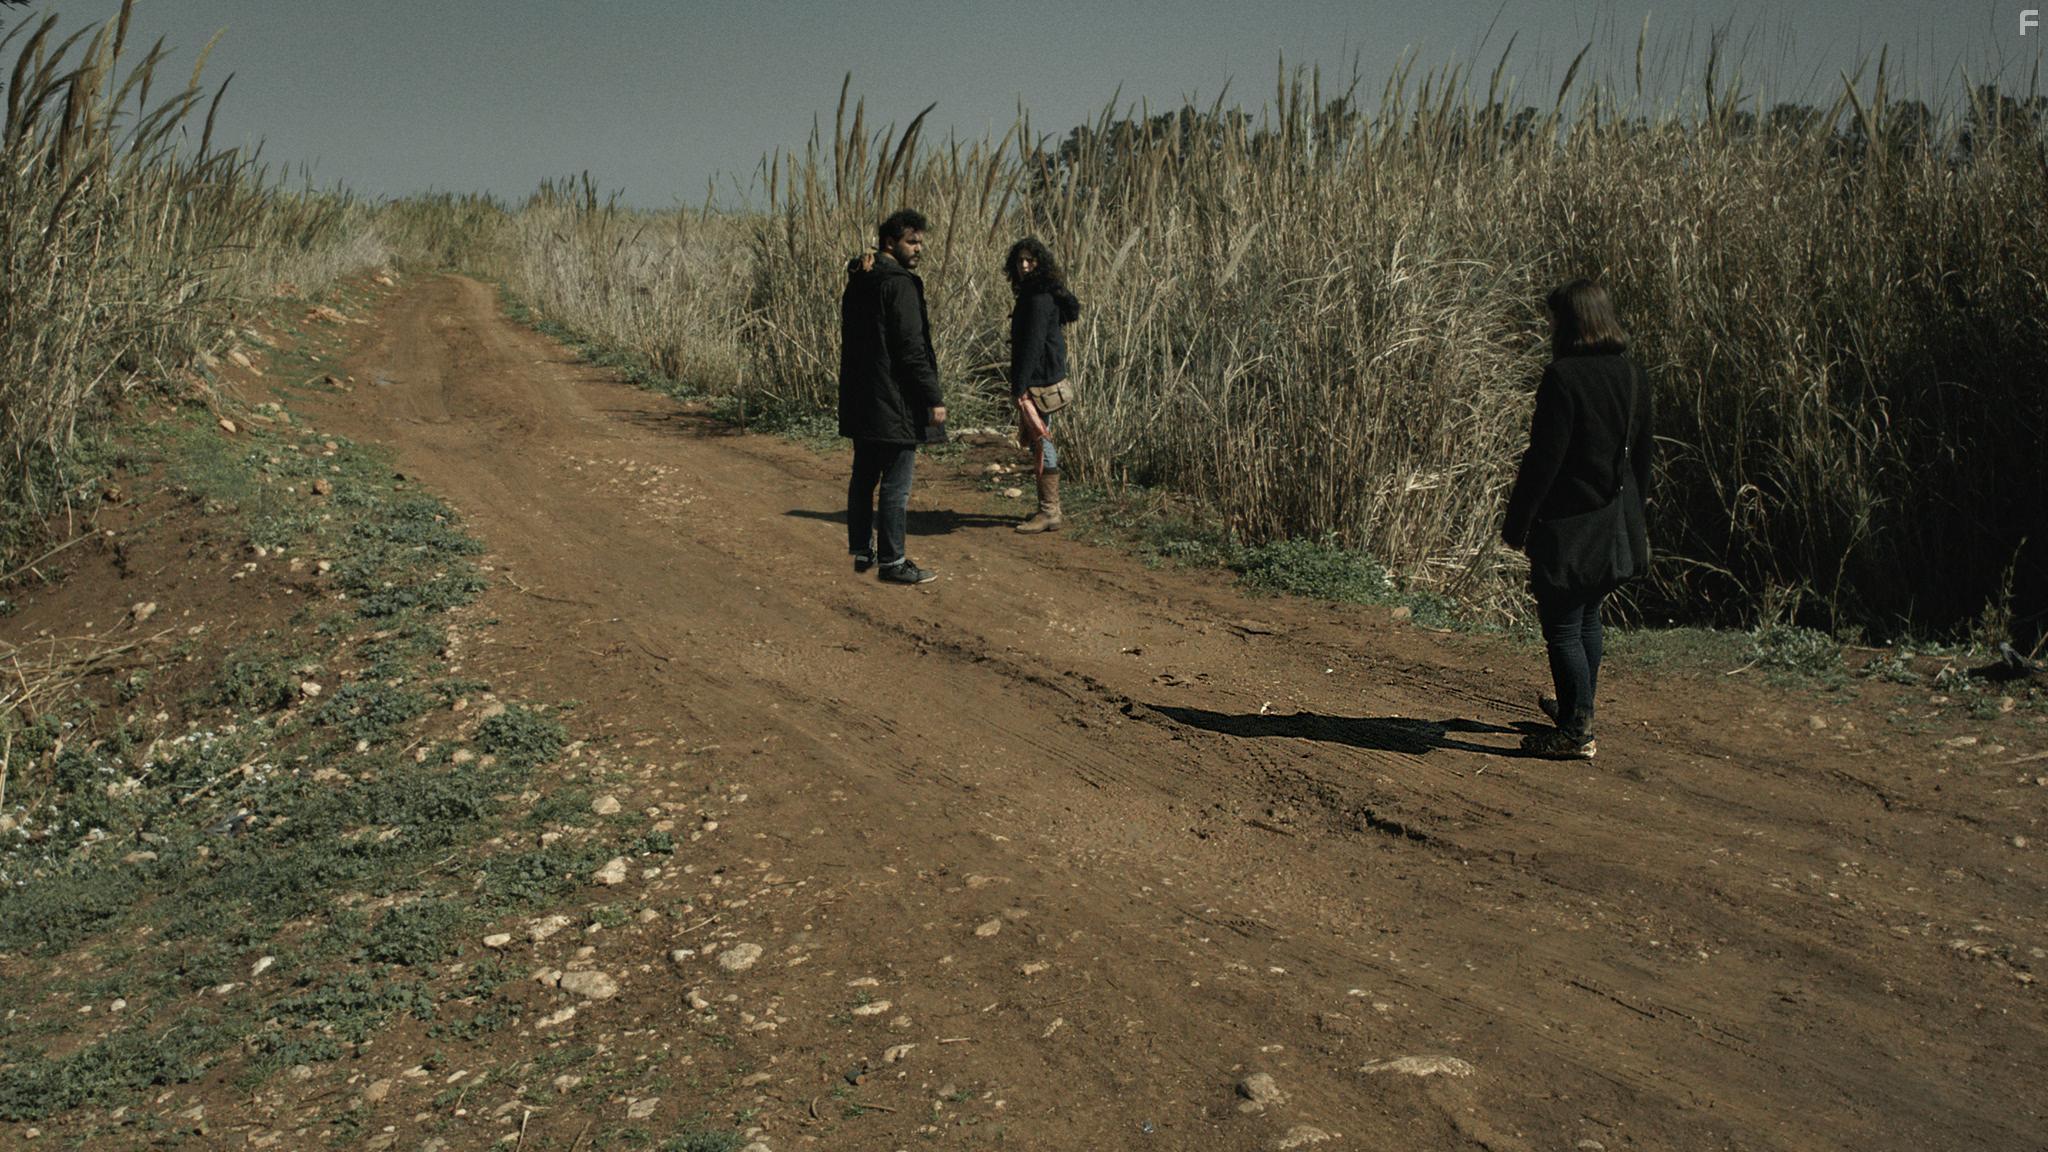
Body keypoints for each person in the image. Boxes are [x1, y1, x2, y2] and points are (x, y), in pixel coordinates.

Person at [1501, 279, 1653, 760]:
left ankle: (1575, 731)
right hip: (1613, 522)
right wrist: (1632, 515)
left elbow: (1544, 459)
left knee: (1563, 625)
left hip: (1569, 522)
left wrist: (1519, 521)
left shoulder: (1563, 377)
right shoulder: (1632, 375)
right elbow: (1642, 458)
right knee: (1589, 613)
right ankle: (1577, 708)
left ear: (1568, 322)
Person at [839, 208, 947, 585]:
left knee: (863, 476)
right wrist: (934, 397)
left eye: (920, 241)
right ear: (889, 242)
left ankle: (861, 549)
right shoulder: (899, 284)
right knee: (896, 485)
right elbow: (911, 350)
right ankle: (893, 562)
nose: (919, 248)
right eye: (911, 242)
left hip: (863, 399)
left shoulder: (861, 278)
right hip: (893, 400)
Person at [1004, 236, 1081, 533]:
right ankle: (1046, 509)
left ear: (1040, 262)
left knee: (1041, 438)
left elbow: (1033, 345)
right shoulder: (1041, 292)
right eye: (1019, 260)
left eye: (1029, 260)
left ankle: (1050, 511)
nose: (1023, 266)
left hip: (1038, 381)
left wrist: (1020, 386)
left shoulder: (1037, 298)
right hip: (1044, 377)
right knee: (1040, 438)